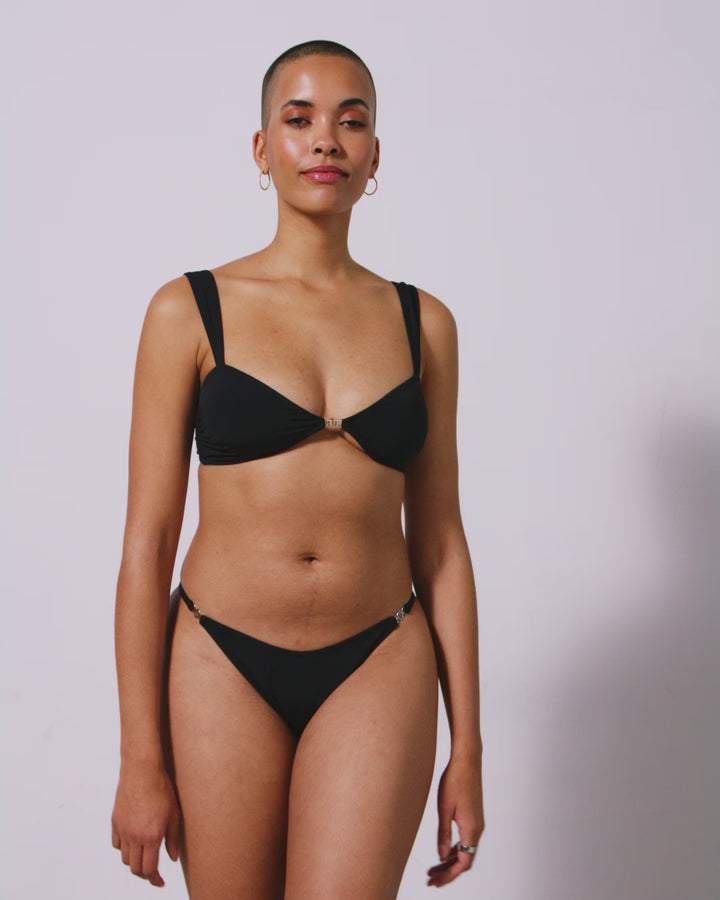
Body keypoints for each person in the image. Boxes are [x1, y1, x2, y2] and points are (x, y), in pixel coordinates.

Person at [111, 39, 484, 900]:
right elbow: (147, 543)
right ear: (262, 148)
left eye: (351, 122)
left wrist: (467, 750)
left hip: (380, 656)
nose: (326, 140)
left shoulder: (424, 324)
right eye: (300, 118)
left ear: (375, 155)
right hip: (219, 659)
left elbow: (441, 544)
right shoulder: (188, 310)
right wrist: (139, 757)